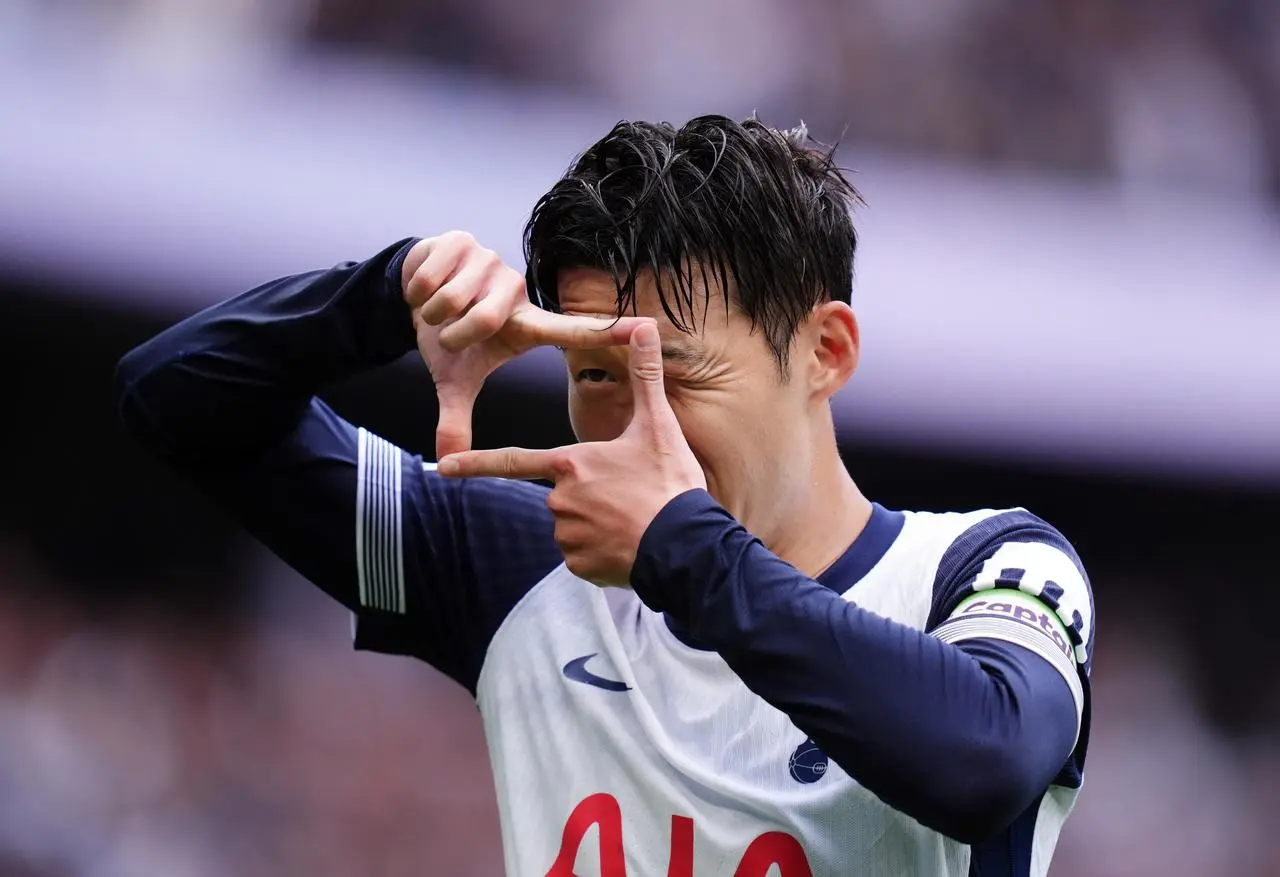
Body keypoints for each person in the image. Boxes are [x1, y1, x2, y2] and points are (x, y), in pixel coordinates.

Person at [116, 115, 1095, 876]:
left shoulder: (981, 567)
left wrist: (685, 548)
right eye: (591, 372)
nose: (633, 424)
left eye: (674, 373)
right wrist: (384, 293)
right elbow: (177, 396)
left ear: (823, 352)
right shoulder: (518, 563)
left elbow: (983, 763)